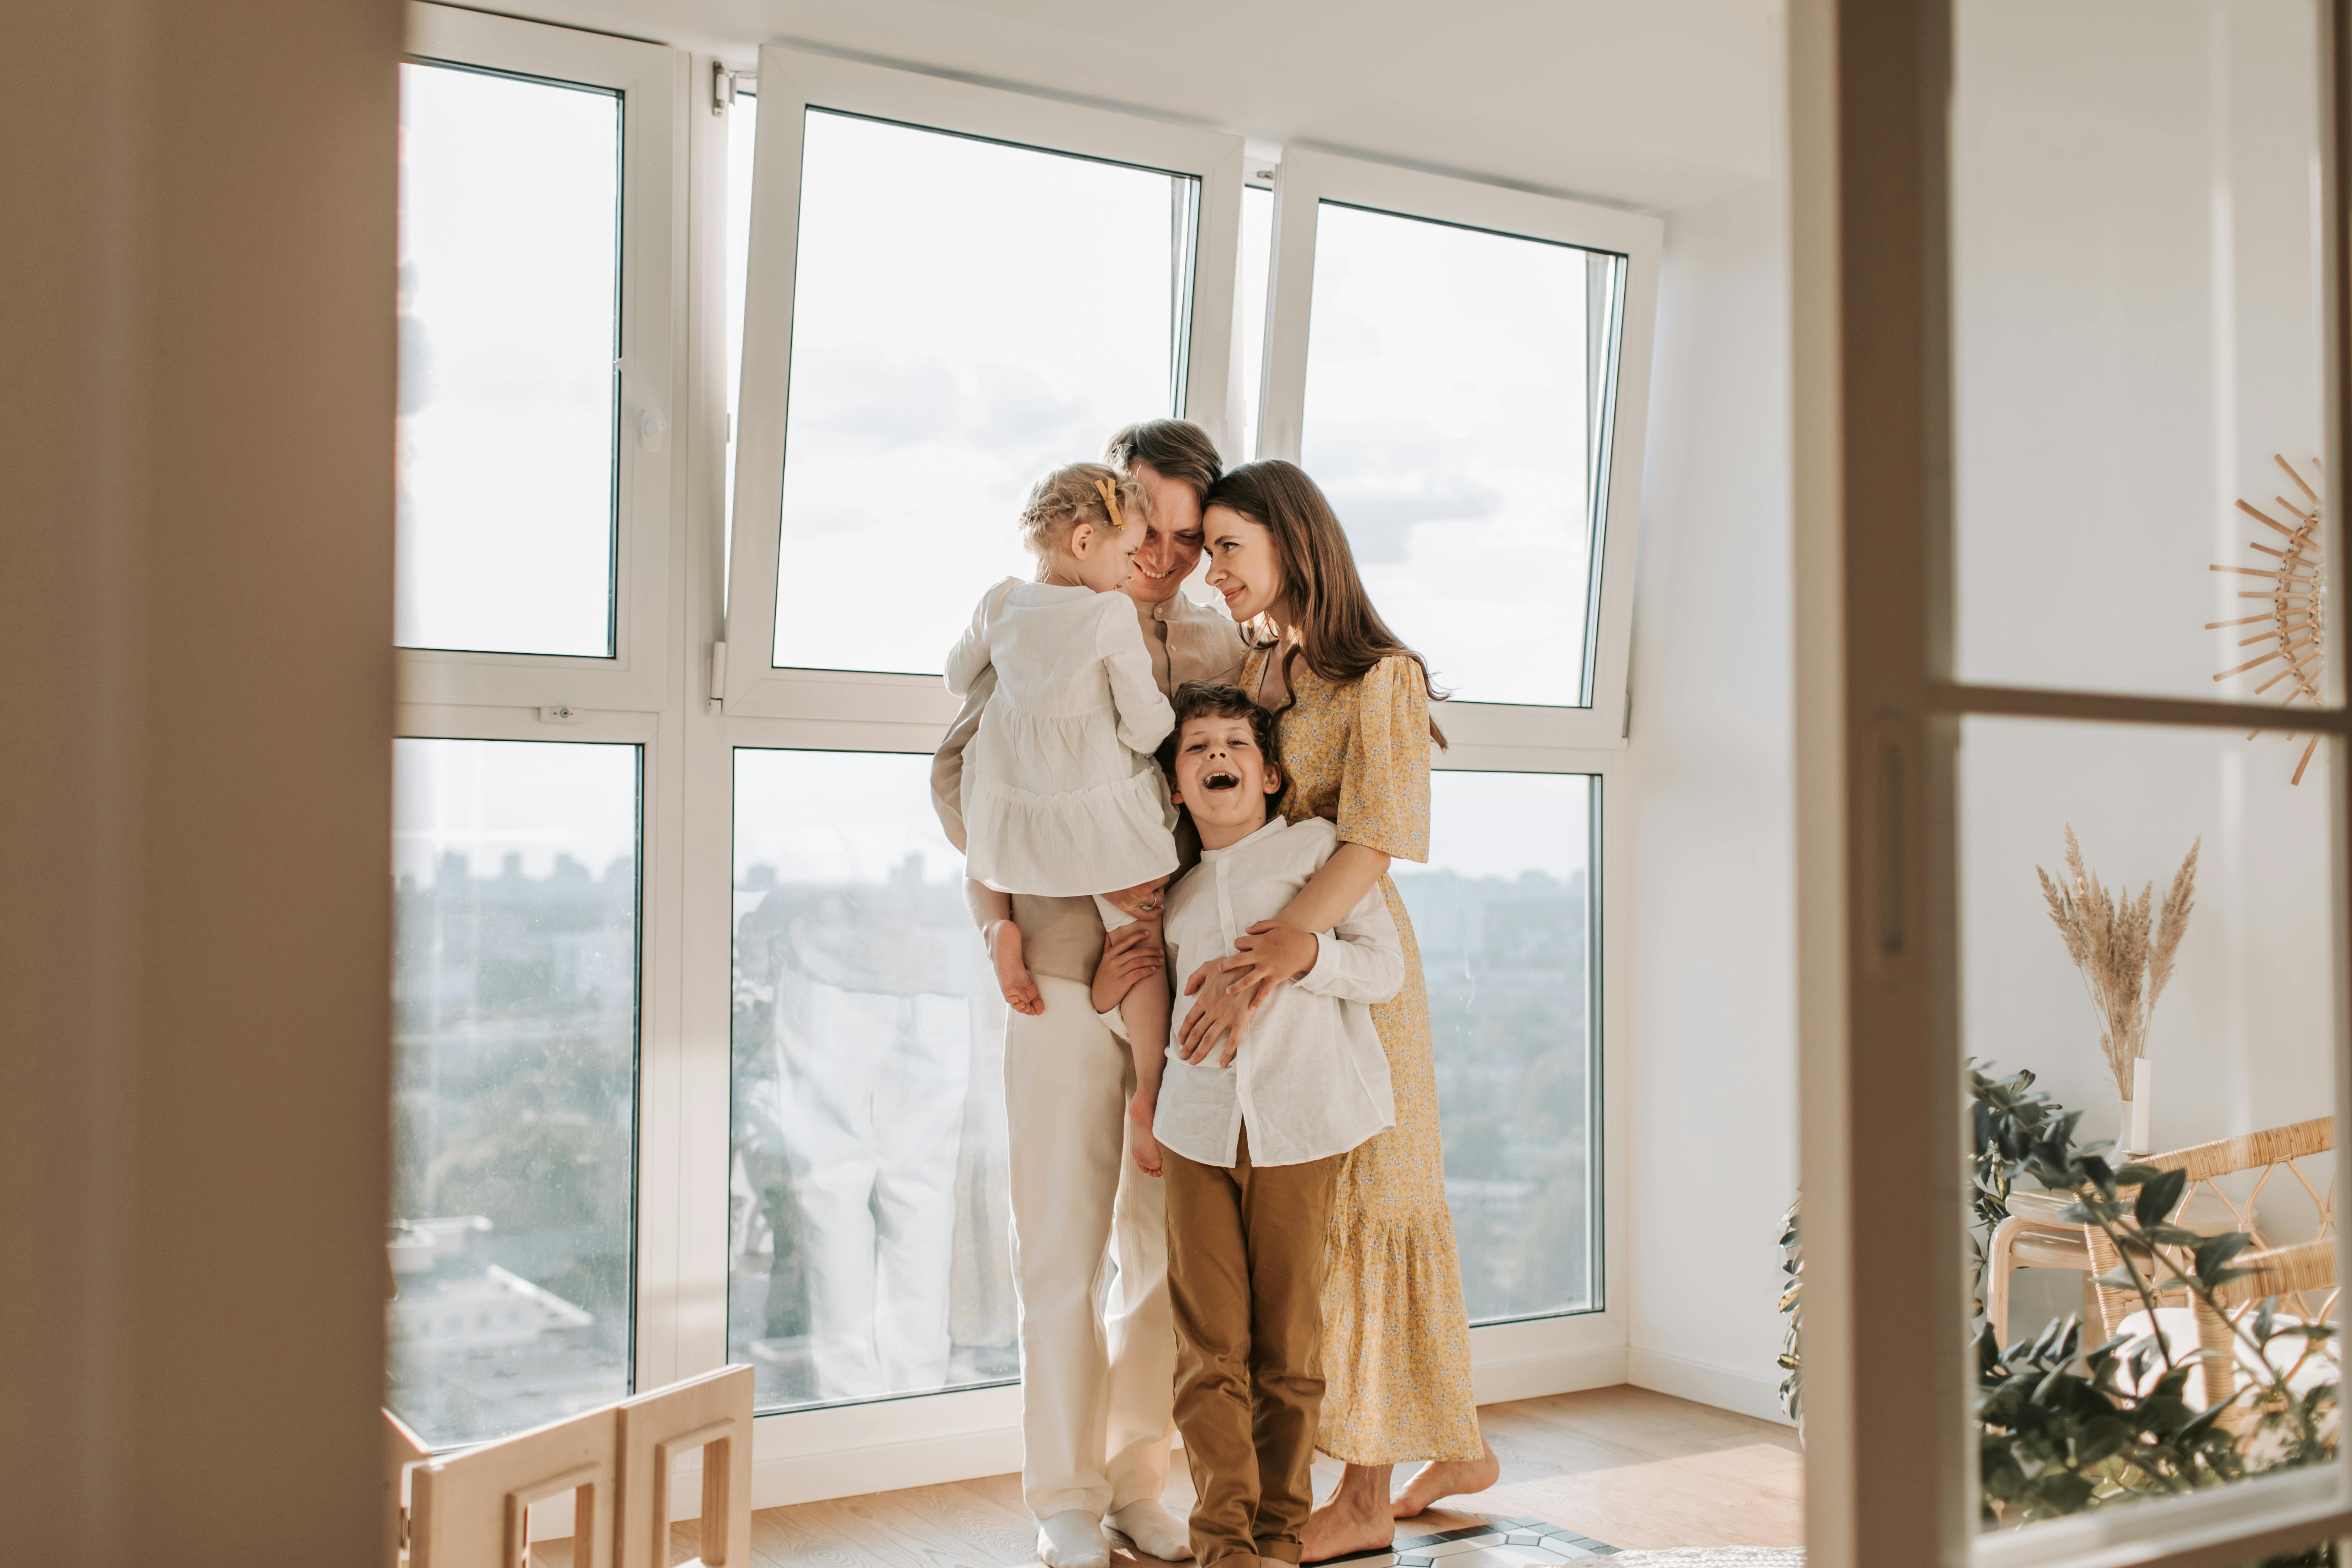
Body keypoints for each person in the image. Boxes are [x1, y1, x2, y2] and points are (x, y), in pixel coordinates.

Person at [930, 420, 1245, 1568]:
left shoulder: (1213, 636)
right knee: (1058, 1243)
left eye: (1183, 536)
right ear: (1106, 521)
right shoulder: (1039, 618)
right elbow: (965, 776)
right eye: (1144, 529)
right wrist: (997, 931)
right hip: (1058, 973)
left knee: (1163, 1249)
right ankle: (1061, 1497)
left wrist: (1165, 935)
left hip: (1181, 980)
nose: (1161, 554)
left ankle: (1133, 1483)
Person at [1179, 460, 1501, 1558]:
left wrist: (1287, 947)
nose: (1209, 568)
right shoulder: (1268, 673)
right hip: (1291, 953)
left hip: (1345, 949)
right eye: (1208, 546)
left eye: (1227, 545)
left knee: (1379, 1203)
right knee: (1327, 1222)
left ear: (1290, 540)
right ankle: (1454, 1444)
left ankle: (1364, 1498)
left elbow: (1376, 832)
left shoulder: (1380, 677)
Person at [1097, 682, 1401, 1568]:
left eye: (1233, 743)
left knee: (1289, 1349)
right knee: (1209, 1352)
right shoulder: (1180, 898)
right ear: (1178, 790)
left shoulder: (1315, 856)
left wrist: (1303, 952)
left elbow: (1380, 972)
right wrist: (1122, 994)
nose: (1216, 756)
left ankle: (1276, 1537)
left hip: (1302, 1132)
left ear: (1269, 775)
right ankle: (1223, 1542)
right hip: (1196, 1135)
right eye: (1196, 750)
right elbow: (1151, 1010)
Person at [944, 462, 1179, 1172]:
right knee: (1139, 935)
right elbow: (1142, 724)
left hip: (1016, 810)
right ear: (1084, 542)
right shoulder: (1109, 614)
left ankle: (996, 930)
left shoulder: (1002, 599)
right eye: (1130, 548)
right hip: (1098, 819)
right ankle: (1150, 1083)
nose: (1138, 564)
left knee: (979, 861)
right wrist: (1162, 727)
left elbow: (958, 675)